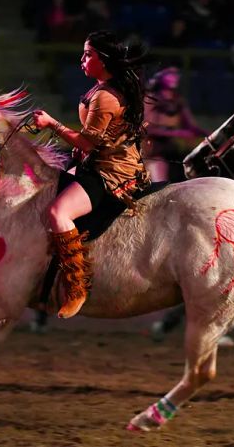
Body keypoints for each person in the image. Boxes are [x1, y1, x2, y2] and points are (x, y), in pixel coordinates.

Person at [32, 30, 151, 319]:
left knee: (58, 213)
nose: (82, 59)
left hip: (111, 173)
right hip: (98, 163)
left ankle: (77, 288)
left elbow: (87, 141)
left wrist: (51, 124)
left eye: (88, 54)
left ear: (104, 59)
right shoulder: (103, 90)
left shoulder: (106, 97)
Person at [143, 66, 208, 182]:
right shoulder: (150, 99)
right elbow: (145, 128)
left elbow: (191, 125)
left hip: (170, 150)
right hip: (151, 151)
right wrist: (177, 133)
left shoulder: (178, 101)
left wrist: (208, 135)